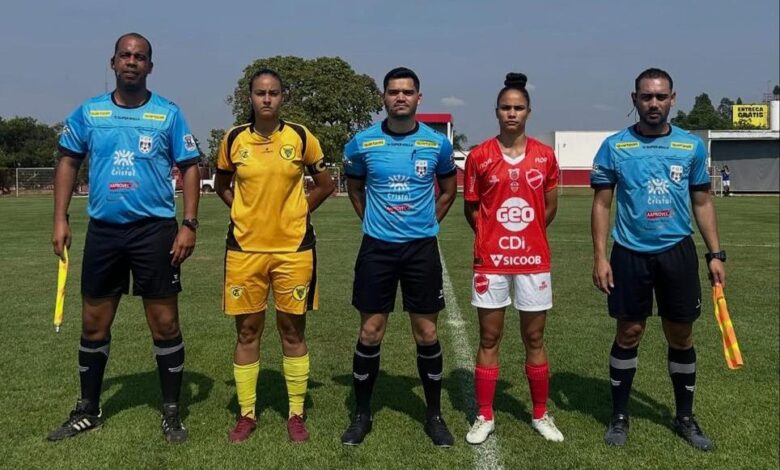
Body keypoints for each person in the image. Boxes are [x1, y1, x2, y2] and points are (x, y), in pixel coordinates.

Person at [49, 32, 201, 443]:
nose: (132, 61)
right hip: (104, 232)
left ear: (150, 66)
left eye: (140, 56)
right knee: (93, 323)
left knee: (165, 323)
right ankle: (88, 409)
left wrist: (189, 223)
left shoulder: (168, 113)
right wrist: (60, 218)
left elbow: (190, 166)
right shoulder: (90, 112)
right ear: (113, 62)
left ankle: (172, 412)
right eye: (125, 55)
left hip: (154, 232)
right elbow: (68, 161)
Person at [591, 68, 726, 451]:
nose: (654, 103)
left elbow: (702, 201)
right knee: (629, 332)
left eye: (661, 96)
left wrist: (715, 254)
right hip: (629, 253)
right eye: (647, 96)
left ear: (672, 99)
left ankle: (684, 417)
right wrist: (600, 256)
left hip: (677, 252)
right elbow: (602, 204)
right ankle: (620, 416)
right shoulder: (615, 146)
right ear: (634, 99)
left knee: (680, 335)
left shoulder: (690, 146)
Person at [215, 68, 334, 444]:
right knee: (247, 331)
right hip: (245, 250)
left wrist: (299, 212)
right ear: (249, 97)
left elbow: (326, 184)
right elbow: (222, 184)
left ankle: (296, 413)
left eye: (274, 93)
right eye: (260, 93)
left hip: (293, 250)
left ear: (283, 97)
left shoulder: (301, 136)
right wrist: (243, 213)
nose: (267, 98)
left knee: (292, 330)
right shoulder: (233, 139)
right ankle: (247, 414)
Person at [340, 67, 458, 447]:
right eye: (394, 92)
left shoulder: (436, 144)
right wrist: (373, 222)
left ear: (419, 98)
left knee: (427, 333)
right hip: (377, 249)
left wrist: (427, 222)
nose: (400, 97)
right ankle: (361, 415)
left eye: (407, 92)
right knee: (370, 331)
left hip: (421, 249)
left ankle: (434, 416)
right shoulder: (362, 143)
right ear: (384, 98)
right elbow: (355, 189)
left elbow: (448, 190)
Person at [463, 73, 564, 445]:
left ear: (528, 112)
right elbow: (472, 209)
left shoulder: (545, 156)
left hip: (533, 261)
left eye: (518, 108)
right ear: (496, 111)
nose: (512, 113)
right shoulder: (479, 156)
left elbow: (548, 208)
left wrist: (526, 235)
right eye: (505, 107)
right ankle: (484, 415)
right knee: (489, 337)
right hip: (490, 261)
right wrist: (494, 236)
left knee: (534, 337)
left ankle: (540, 413)